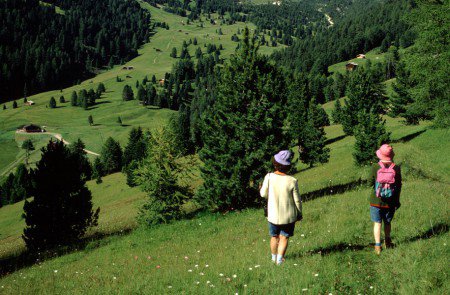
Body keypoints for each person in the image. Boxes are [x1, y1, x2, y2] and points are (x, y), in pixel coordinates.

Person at [260, 150, 302, 265]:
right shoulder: (292, 180)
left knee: (274, 237)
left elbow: (263, 194)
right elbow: (297, 200)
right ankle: (279, 261)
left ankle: (273, 258)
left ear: (275, 163)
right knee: (284, 237)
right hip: (288, 217)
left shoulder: (268, 177)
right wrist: (299, 213)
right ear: (288, 165)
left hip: (273, 215)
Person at [369, 144, 402, 255]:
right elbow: (398, 186)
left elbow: (370, 183)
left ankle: (377, 247)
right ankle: (387, 242)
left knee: (377, 223)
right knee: (387, 222)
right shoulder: (396, 168)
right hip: (391, 201)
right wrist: (397, 201)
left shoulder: (375, 167)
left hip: (376, 201)